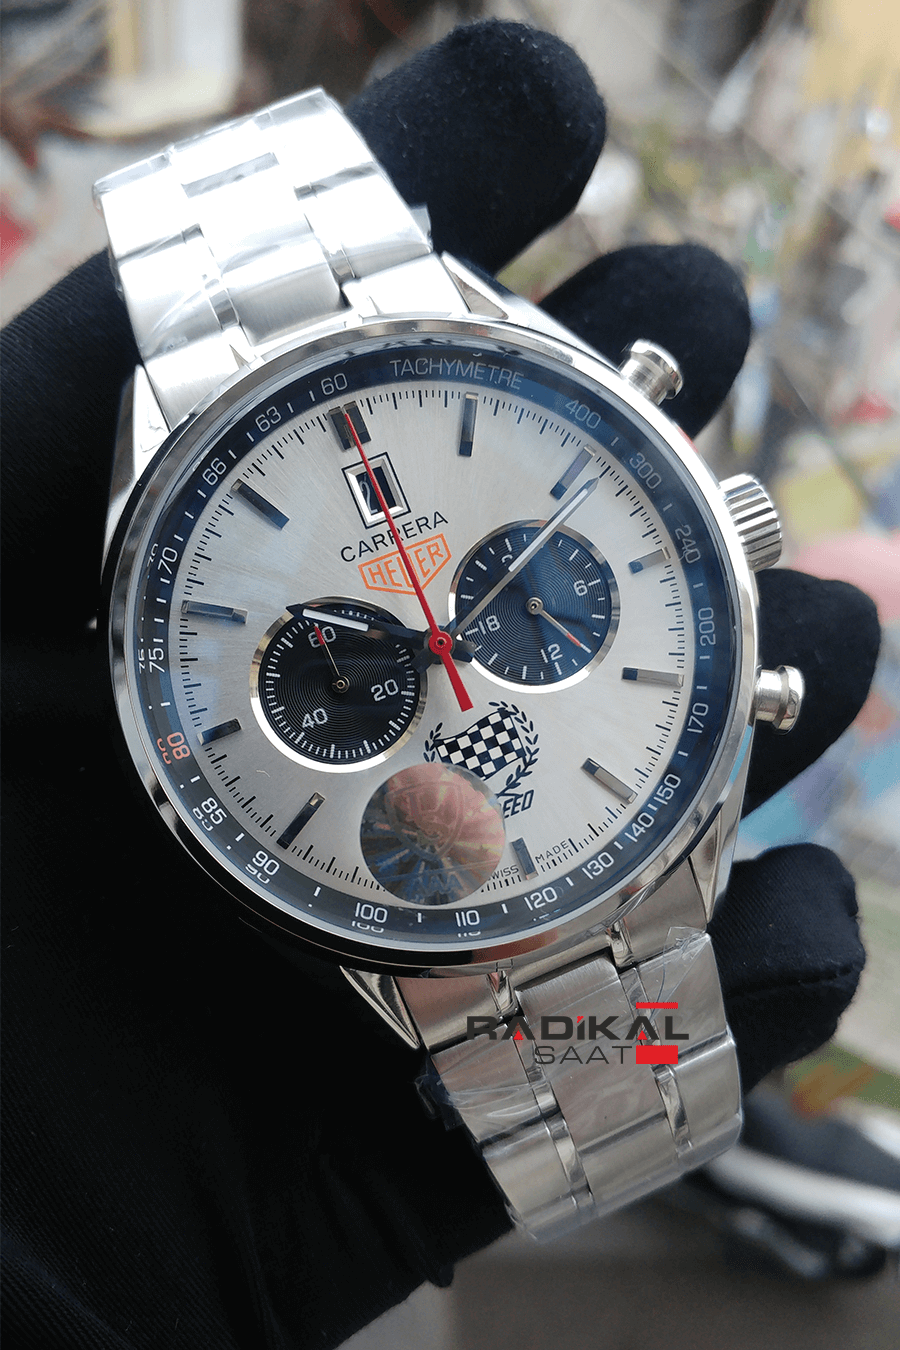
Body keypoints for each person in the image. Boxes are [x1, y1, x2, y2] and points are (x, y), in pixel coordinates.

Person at [0, 19, 879, 1350]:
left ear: (723, 531)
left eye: (514, 608)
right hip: (357, 875)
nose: (447, 654)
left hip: (562, 848)